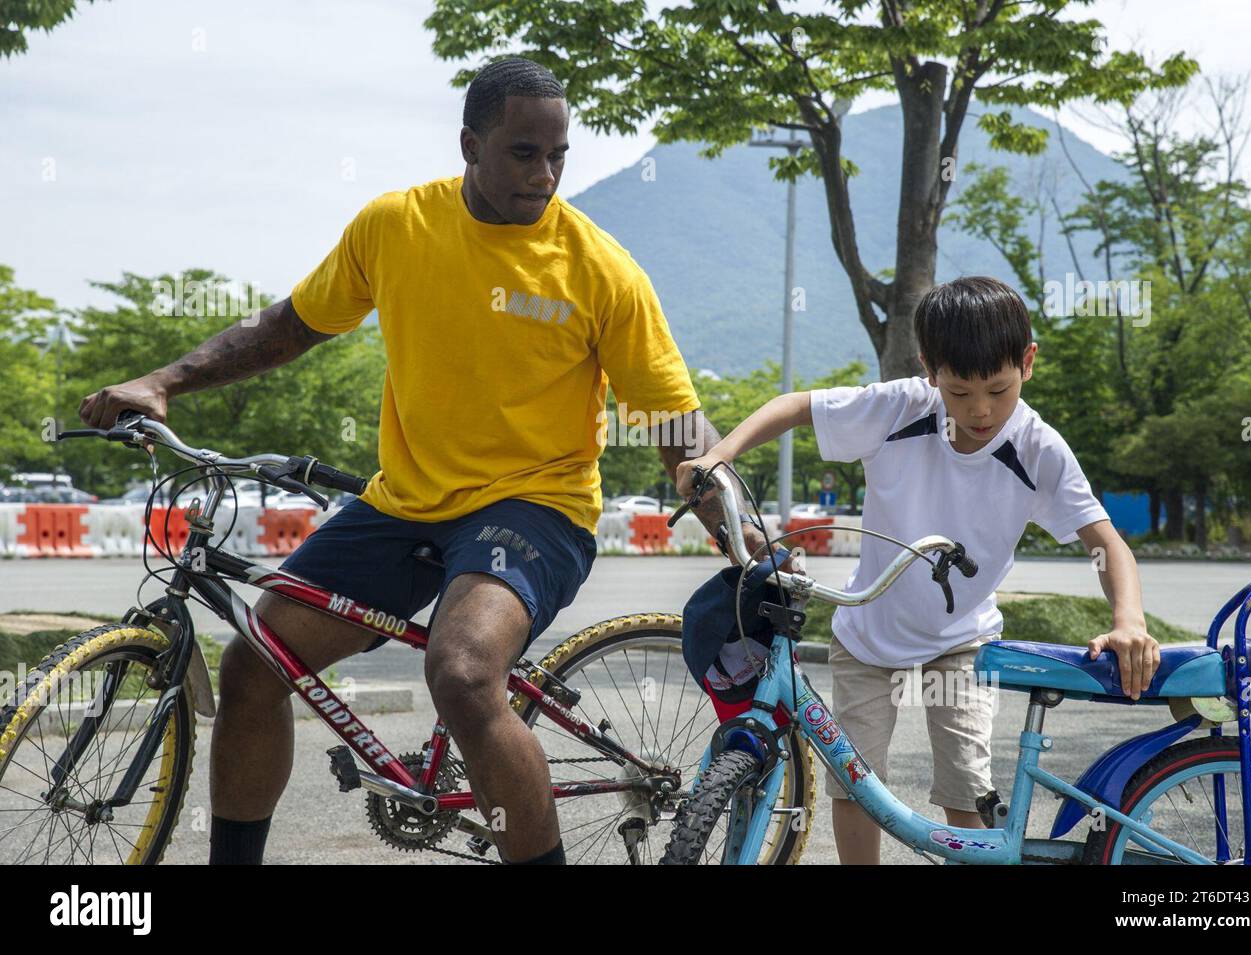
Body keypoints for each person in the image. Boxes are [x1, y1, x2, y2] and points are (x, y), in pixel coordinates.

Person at [79, 57, 761, 865]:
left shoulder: (600, 269)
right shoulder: (396, 226)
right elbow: (289, 325)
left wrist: (741, 531)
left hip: (536, 508)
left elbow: (672, 418)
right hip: (404, 504)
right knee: (256, 661)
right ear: (470, 143)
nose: (544, 175)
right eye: (522, 153)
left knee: (466, 672)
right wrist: (164, 380)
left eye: (559, 156)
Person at [677, 275, 1160, 864]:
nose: (980, 411)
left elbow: (1107, 543)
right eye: (959, 392)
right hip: (868, 634)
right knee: (858, 786)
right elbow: (795, 407)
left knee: (965, 790)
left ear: (1028, 363)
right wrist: (718, 455)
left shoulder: (1038, 448)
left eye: (998, 390)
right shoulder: (899, 407)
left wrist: (1128, 618)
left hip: (961, 642)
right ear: (929, 368)